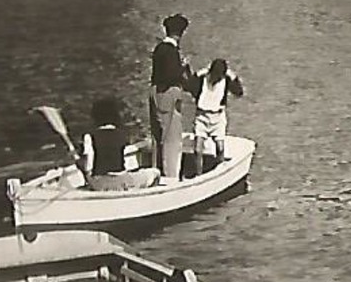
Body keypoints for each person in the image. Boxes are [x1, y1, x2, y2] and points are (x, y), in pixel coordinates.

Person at [148, 13, 193, 182]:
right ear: (180, 33)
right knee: (172, 137)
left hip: (154, 92)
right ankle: (171, 176)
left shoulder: (159, 48)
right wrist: (183, 67)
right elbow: (171, 75)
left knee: (157, 135)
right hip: (167, 93)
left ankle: (156, 170)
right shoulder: (171, 51)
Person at [77, 97, 155, 191]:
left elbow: (88, 167)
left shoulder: (89, 136)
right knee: (155, 172)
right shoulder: (122, 134)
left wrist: (80, 165)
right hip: (122, 180)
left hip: (100, 183)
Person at [189, 58, 245, 175]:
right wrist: (197, 74)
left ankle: (220, 170)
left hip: (217, 117)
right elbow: (189, 86)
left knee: (220, 146)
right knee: (198, 149)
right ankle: (198, 174)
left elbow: (239, 92)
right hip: (202, 116)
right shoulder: (202, 79)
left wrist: (233, 77)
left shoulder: (226, 80)